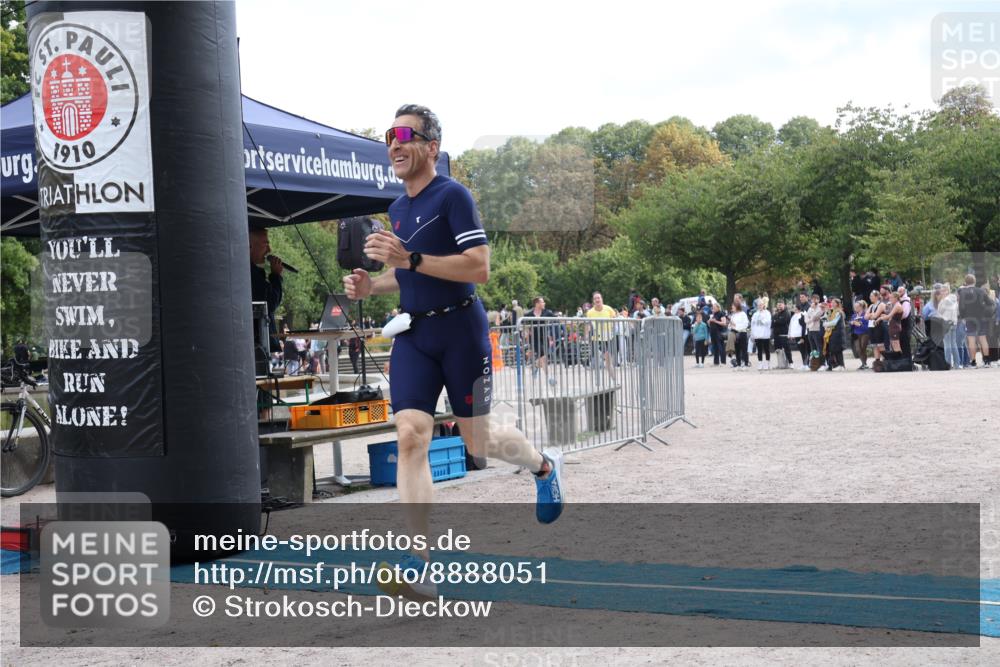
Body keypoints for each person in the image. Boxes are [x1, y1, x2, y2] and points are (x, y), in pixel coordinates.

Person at [343, 104, 563, 601]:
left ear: (432, 148)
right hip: (415, 336)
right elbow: (403, 275)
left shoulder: (453, 196)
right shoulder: (397, 209)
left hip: (462, 331)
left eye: (405, 135)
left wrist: (410, 257)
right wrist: (368, 286)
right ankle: (420, 564)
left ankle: (545, 467)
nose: (394, 144)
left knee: (477, 443)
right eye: (389, 136)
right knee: (410, 437)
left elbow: (478, 267)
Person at [249, 227, 284, 352]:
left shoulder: (254, 272)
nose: (269, 250)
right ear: (250, 246)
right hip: (256, 344)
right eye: (265, 244)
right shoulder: (250, 273)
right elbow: (271, 303)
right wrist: (276, 276)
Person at [957, 274, 993, 368]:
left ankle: (973, 362)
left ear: (965, 282)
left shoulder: (962, 292)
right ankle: (986, 361)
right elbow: (990, 303)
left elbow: (961, 307)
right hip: (981, 318)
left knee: (971, 340)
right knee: (983, 339)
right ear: (975, 281)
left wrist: (963, 317)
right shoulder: (980, 291)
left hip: (969, 318)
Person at [586, 291, 617, 381]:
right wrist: (586, 336)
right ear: (593, 301)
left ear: (601, 299)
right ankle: (598, 383)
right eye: (595, 298)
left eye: (598, 298)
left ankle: (614, 380)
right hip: (596, 338)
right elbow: (588, 325)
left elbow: (615, 319)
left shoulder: (608, 309)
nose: (597, 300)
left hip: (608, 337)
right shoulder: (590, 312)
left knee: (608, 361)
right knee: (598, 360)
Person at [526, 296, 556, 387]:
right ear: (537, 304)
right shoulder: (529, 314)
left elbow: (557, 318)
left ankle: (535, 366)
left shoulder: (547, 312)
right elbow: (522, 325)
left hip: (544, 338)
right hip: (534, 339)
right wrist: (526, 332)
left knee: (543, 358)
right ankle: (549, 378)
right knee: (543, 358)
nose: (544, 303)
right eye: (542, 302)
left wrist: (571, 321)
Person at [823, 299, 847, 370]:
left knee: (837, 349)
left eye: (834, 302)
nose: (832, 304)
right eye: (831, 302)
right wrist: (826, 310)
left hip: (838, 333)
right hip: (832, 332)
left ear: (837, 304)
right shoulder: (831, 311)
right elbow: (826, 317)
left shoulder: (839, 312)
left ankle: (841, 365)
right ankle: (835, 365)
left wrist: (825, 324)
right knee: (832, 349)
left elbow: (834, 322)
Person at [729, 302, 750, 370]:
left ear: (737, 307)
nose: (732, 308)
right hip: (735, 333)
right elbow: (730, 325)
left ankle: (746, 364)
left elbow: (745, 324)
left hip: (742, 333)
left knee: (744, 349)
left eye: (733, 306)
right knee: (737, 350)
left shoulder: (743, 314)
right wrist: (731, 326)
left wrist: (736, 326)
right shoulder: (733, 315)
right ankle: (738, 364)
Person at [750, 302, 772, 370]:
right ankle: (760, 362)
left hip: (765, 334)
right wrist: (752, 333)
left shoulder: (767, 313)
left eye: (761, 305)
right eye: (758, 305)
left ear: (763, 305)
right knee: (759, 349)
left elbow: (768, 321)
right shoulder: (755, 314)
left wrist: (762, 319)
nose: (759, 306)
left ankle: (767, 362)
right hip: (757, 334)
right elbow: (752, 323)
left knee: (766, 349)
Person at [805, 295, 825, 368]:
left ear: (818, 300)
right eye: (813, 299)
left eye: (816, 299)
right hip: (810, 329)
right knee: (813, 348)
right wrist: (810, 319)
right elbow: (806, 318)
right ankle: (814, 364)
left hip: (817, 329)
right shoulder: (810, 308)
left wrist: (811, 317)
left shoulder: (820, 308)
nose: (814, 301)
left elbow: (815, 317)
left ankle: (822, 363)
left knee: (819, 347)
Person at [771, 300, 792, 369]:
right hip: (776, 335)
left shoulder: (787, 313)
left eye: (780, 305)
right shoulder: (775, 314)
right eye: (778, 305)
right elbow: (772, 324)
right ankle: (780, 364)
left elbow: (783, 321)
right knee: (778, 350)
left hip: (784, 334)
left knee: (787, 349)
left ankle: (790, 363)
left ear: (784, 305)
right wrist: (776, 321)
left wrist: (776, 321)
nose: (779, 306)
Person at [850, 300, 870, 370]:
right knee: (858, 349)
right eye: (855, 307)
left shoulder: (866, 314)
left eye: (857, 306)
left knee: (863, 347)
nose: (855, 308)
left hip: (864, 333)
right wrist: (852, 323)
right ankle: (863, 363)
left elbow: (868, 325)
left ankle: (865, 363)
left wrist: (860, 324)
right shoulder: (854, 315)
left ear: (861, 307)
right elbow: (851, 326)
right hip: (856, 333)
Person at [708, 302, 728, 367]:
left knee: (721, 347)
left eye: (714, 307)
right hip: (713, 333)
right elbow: (710, 324)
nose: (712, 308)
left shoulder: (721, 313)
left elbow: (724, 323)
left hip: (719, 332)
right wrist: (709, 322)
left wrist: (715, 321)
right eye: (712, 307)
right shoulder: (713, 314)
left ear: (718, 307)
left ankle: (723, 362)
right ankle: (716, 362)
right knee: (715, 348)